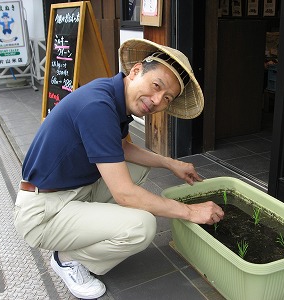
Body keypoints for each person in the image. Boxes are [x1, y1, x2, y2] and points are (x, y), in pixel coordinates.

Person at [14, 38, 224, 299]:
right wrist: (190, 212)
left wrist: (171, 163)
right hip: (43, 212)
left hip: (75, 190)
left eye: (167, 98)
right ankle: (68, 258)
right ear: (136, 71)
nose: (157, 100)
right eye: (156, 86)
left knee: (135, 168)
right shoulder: (97, 107)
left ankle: (95, 227)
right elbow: (124, 194)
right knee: (142, 226)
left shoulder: (111, 96)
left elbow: (122, 149)